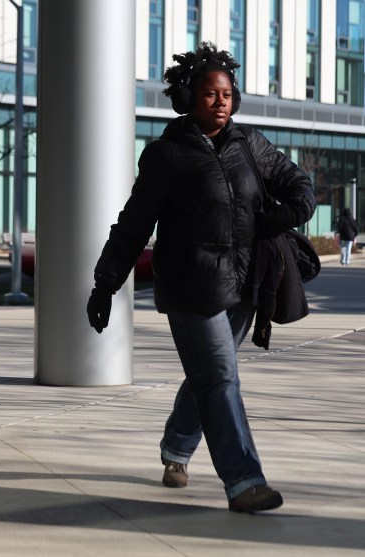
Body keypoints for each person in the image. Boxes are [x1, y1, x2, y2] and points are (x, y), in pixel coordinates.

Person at [86, 42, 316, 513]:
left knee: (209, 374)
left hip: (246, 282)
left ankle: (176, 449)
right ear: (188, 97)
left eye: (228, 93)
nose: (221, 101)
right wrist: (106, 283)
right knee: (219, 376)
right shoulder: (165, 156)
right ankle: (244, 481)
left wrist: (288, 212)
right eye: (211, 93)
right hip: (193, 286)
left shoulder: (251, 144)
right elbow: (132, 225)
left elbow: (299, 184)